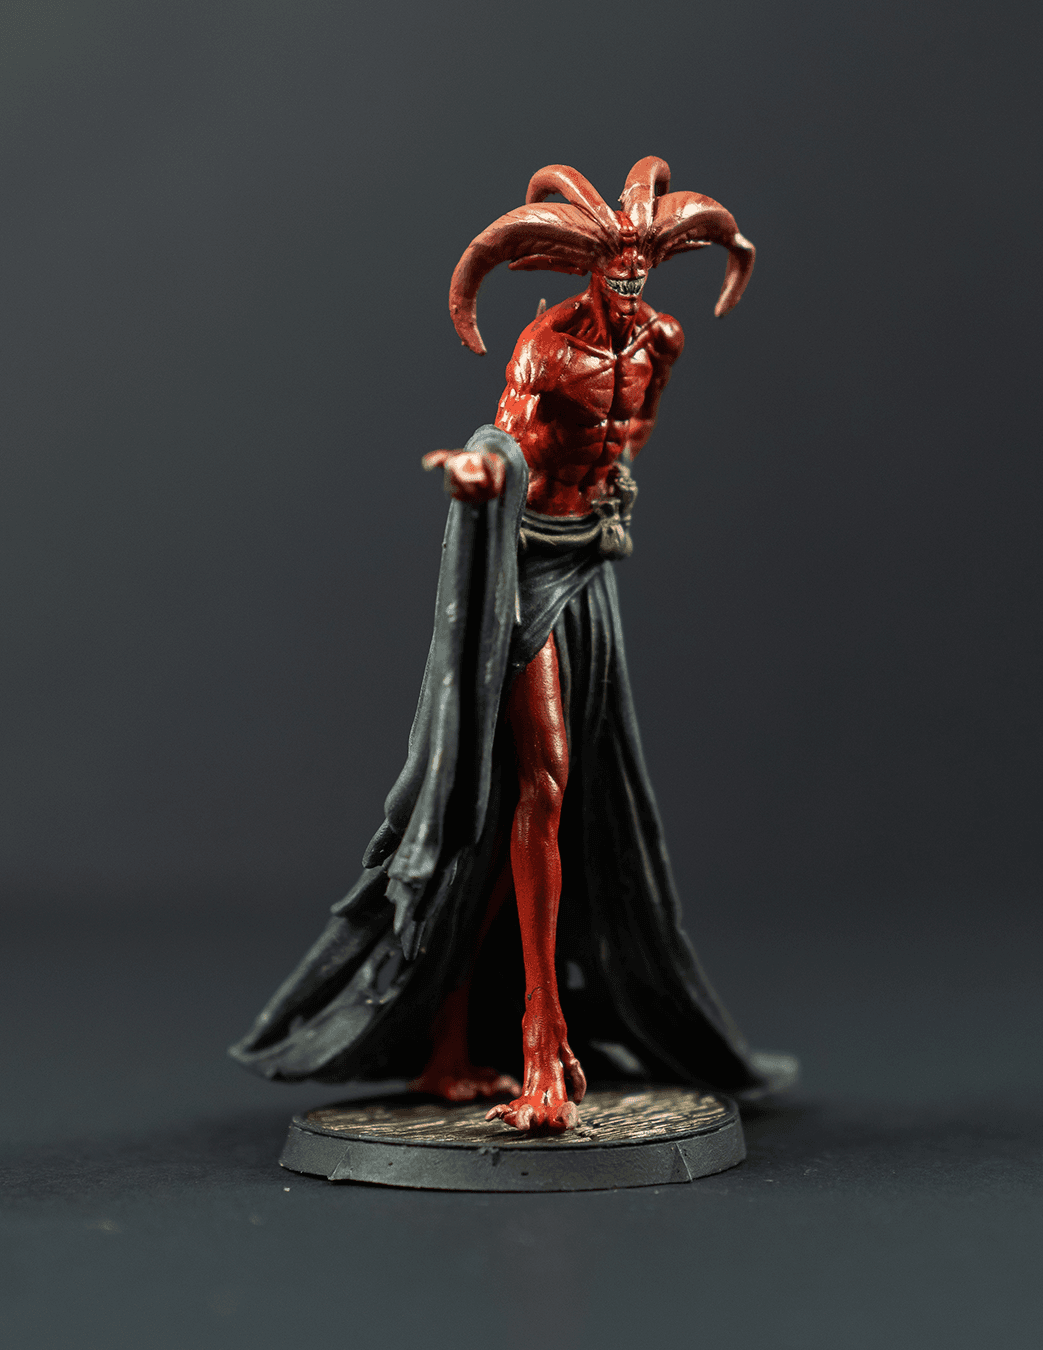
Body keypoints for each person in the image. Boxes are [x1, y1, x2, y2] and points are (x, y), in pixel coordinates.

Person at [231, 158, 780, 1133]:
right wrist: (483, 473)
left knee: (558, 807)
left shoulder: (661, 339)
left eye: (644, 255)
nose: (630, 270)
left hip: (590, 569)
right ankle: (538, 1039)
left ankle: (454, 1042)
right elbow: (506, 438)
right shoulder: (546, 349)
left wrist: (607, 493)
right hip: (524, 570)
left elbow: (630, 437)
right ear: (584, 262)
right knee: (542, 785)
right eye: (614, 257)